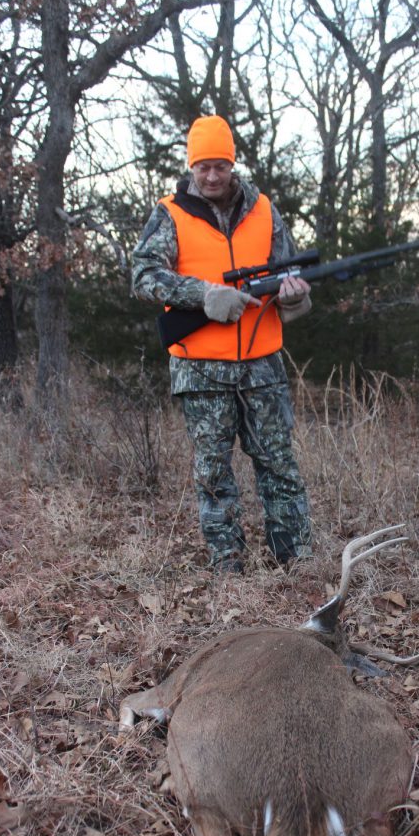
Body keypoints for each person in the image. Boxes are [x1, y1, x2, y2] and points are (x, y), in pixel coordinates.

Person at [132, 115, 313, 573]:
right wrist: (205, 296)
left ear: (233, 164)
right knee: (214, 474)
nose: (212, 176)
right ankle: (228, 566)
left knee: (279, 466)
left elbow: (288, 271)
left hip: (262, 365)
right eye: (203, 167)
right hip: (201, 369)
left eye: (220, 166)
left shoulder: (264, 210)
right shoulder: (169, 213)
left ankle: (294, 562)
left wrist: (296, 295)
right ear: (191, 167)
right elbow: (144, 276)